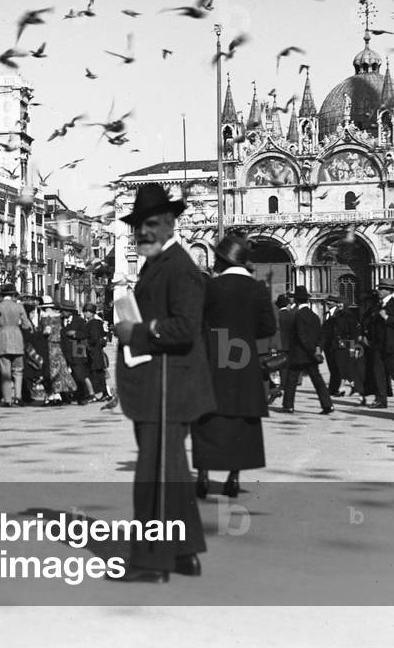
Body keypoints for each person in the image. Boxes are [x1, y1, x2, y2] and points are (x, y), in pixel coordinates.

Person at [111, 183, 212, 583]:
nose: (143, 233)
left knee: (153, 475)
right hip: (161, 385)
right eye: (138, 226)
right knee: (169, 471)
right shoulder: (159, 264)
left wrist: (135, 331)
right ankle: (184, 553)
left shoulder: (179, 268)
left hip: (168, 388)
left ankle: (151, 562)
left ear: (170, 224)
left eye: (152, 224)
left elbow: (185, 328)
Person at [192, 234, 276, 499]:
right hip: (244, 364)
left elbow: (196, 322)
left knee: (207, 420)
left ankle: (204, 476)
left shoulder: (211, 287)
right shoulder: (258, 289)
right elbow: (268, 328)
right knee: (242, 422)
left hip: (213, 359)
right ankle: (233, 478)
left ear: (221, 260)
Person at [281, 285, 334, 415]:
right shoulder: (314, 316)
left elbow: (301, 336)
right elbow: (321, 335)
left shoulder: (297, 315)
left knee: (291, 380)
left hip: (299, 353)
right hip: (311, 355)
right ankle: (327, 404)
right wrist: (317, 350)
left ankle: (288, 405)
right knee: (317, 380)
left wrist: (310, 349)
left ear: (297, 300)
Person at [0, 283, 31, 407]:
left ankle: (7, 399)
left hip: (2, 338)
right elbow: (26, 325)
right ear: (13, 294)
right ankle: (18, 397)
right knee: (18, 371)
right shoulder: (19, 307)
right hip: (17, 339)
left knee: (5, 371)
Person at [38, 298, 75, 406]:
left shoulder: (46, 318)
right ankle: (57, 395)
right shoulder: (59, 319)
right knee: (58, 371)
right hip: (58, 347)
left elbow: (46, 332)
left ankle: (51, 396)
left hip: (48, 346)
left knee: (48, 371)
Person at [371, 278, 394, 409]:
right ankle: (380, 400)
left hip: (391, 345)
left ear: (389, 291)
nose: (378, 291)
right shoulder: (378, 305)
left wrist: (387, 318)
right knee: (378, 373)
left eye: (381, 289)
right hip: (378, 344)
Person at [83, 303, 111, 401]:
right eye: (85, 311)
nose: (86, 313)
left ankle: (104, 394)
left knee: (97, 374)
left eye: (88, 312)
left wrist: (86, 341)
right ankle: (104, 393)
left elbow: (94, 338)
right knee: (98, 374)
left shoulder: (93, 323)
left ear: (92, 313)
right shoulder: (96, 322)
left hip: (94, 351)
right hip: (96, 351)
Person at [321, 294, 346, 397]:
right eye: (327, 301)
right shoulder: (326, 314)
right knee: (332, 367)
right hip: (328, 345)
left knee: (337, 367)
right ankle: (333, 389)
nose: (328, 303)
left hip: (337, 345)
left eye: (330, 301)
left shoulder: (340, 314)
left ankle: (335, 389)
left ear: (335, 303)